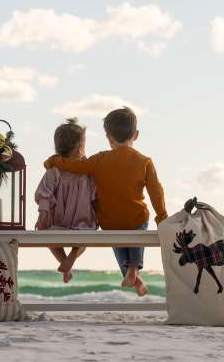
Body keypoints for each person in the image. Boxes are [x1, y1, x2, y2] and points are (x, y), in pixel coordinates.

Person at [44, 107, 168, 296]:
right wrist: (162, 217)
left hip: (109, 221)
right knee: (138, 230)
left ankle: (130, 274)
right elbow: (155, 191)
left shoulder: (100, 159)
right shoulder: (144, 162)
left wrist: (54, 161)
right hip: (135, 218)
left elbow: (76, 166)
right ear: (136, 134)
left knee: (117, 243)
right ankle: (134, 270)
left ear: (109, 137)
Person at [34, 118, 97, 283]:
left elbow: (43, 194)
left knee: (49, 237)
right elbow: (95, 196)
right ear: (80, 148)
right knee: (87, 236)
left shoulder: (53, 171)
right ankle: (72, 256)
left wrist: (43, 213)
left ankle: (64, 263)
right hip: (82, 220)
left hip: (58, 220)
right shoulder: (87, 172)